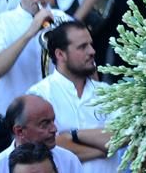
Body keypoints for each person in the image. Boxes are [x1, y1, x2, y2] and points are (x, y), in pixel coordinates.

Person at [0, 0, 68, 158]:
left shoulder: (63, 19)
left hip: (53, 124)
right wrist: (30, 32)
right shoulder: (1, 23)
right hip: (14, 126)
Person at [28, 21, 119, 170]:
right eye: (82, 47)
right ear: (60, 54)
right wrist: (100, 150)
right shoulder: (40, 94)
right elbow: (44, 147)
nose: (92, 51)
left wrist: (73, 135)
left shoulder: (108, 92)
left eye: (90, 44)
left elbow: (120, 138)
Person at [0, 95, 82, 173]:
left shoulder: (69, 161)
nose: (54, 129)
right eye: (44, 124)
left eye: (53, 121)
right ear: (19, 131)